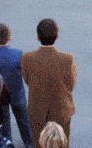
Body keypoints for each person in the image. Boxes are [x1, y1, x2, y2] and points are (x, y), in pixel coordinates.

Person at [22, 19, 77, 148]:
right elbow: (71, 83)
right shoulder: (67, 59)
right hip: (61, 109)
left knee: (38, 142)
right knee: (62, 142)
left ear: (37, 37)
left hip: (37, 109)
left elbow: (27, 80)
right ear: (57, 36)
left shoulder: (27, 58)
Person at [0, 23, 31, 146]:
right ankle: (29, 142)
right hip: (17, 93)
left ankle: (7, 143)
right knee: (23, 119)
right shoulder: (18, 54)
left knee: (4, 122)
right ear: (9, 38)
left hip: (0, 96)